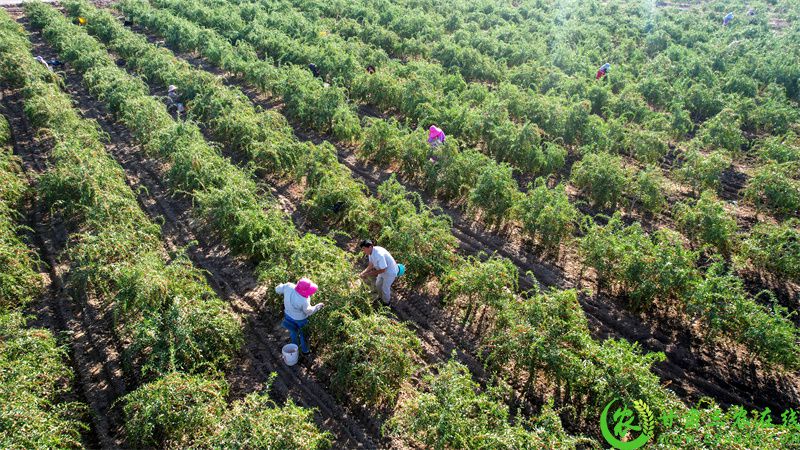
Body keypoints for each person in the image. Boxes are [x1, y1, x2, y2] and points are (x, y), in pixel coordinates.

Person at [276, 277, 324, 355]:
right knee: (304, 334)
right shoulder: (303, 300)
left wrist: (281, 287)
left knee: (293, 331)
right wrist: (318, 307)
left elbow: (278, 289)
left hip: (288, 315)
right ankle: (305, 350)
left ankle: (295, 347)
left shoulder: (289, 286)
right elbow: (309, 311)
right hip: (300, 319)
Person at [359, 239, 398, 305]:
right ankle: (380, 298)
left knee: (385, 289)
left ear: (370, 247)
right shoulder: (370, 252)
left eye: (364, 249)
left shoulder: (379, 254)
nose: (363, 251)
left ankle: (387, 304)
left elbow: (383, 269)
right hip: (382, 271)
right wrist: (363, 273)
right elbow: (371, 265)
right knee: (378, 285)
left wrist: (368, 274)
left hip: (390, 272)